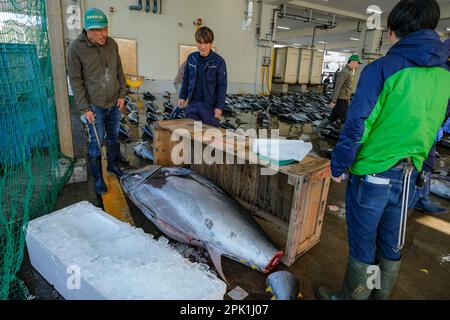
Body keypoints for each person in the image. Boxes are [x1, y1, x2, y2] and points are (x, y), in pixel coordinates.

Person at [317, 0, 450, 300]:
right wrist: (423, 170)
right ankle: (377, 294)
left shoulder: (382, 68)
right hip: (409, 175)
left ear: (391, 32)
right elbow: (435, 127)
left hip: (373, 174)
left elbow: (358, 124)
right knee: (390, 243)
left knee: (364, 243)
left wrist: (338, 165)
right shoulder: (445, 75)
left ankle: (351, 297)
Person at [67, 8, 126, 194]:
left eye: (106, 29)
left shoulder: (112, 44)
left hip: (114, 103)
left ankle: (112, 165)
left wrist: (122, 94)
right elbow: (76, 81)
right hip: (95, 106)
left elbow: (119, 71)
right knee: (96, 142)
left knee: (115, 137)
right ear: (88, 30)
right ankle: (98, 179)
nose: (104, 34)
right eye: (99, 30)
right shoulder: (75, 49)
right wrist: (85, 108)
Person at [178, 27, 227, 127]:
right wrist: (182, 97)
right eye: (200, 43)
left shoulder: (219, 62)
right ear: (196, 43)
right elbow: (186, 79)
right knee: (190, 136)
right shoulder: (191, 58)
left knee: (209, 138)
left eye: (206, 43)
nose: (203, 46)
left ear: (211, 44)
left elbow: (222, 86)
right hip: (192, 105)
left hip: (209, 107)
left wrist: (219, 107)